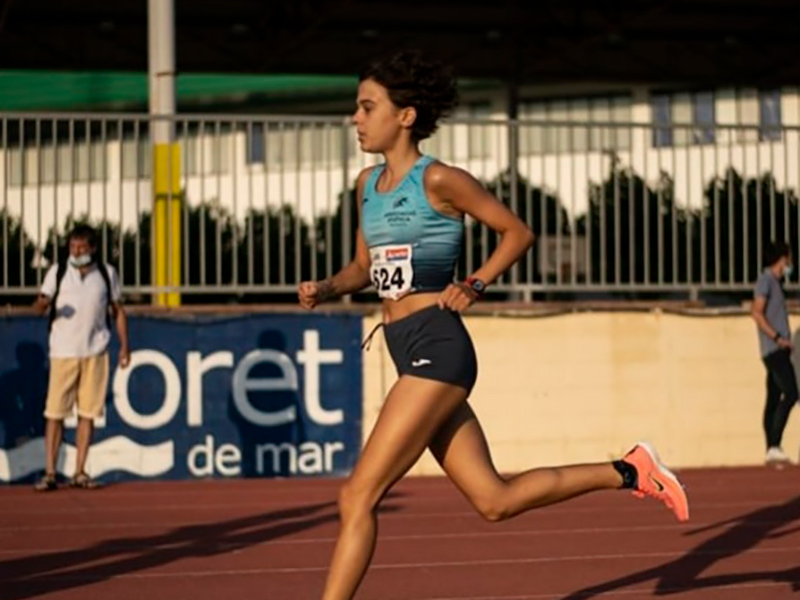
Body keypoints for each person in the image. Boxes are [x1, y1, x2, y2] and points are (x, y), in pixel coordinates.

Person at [297, 50, 689, 600]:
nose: (355, 119)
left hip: (439, 344)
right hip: (404, 347)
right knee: (494, 501)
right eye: (357, 108)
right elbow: (364, 267)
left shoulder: (440, 180)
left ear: (405, 115)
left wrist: (474, 282)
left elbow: (517, 232)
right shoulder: (367, 185)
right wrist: (328, 287)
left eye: (367, 107)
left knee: (356, 497)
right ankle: (630, 470)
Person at [32, 224, 130, 491]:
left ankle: (80, 471)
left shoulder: (107, 274)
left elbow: (118, 310)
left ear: (93, 249)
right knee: (55, 413)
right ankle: (50, 472)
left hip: (95, 351)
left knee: (88, 414)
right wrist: (43, 305)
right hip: (63, 351)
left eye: (82, 248)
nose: (76, 252)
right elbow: (40, 303)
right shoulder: (58, 272)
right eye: (73, 247)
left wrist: (124, 346)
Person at [751, 240, 797, 467]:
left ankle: (771, 448)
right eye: (789, 257)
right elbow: (757, 313)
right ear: (783, 258)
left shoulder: (776, 283)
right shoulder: (766, 280)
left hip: (778, 349)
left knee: (772, 399)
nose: (791, 262)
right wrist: (778, 338)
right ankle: (774, 446)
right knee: (791, 393)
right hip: (774, 350)